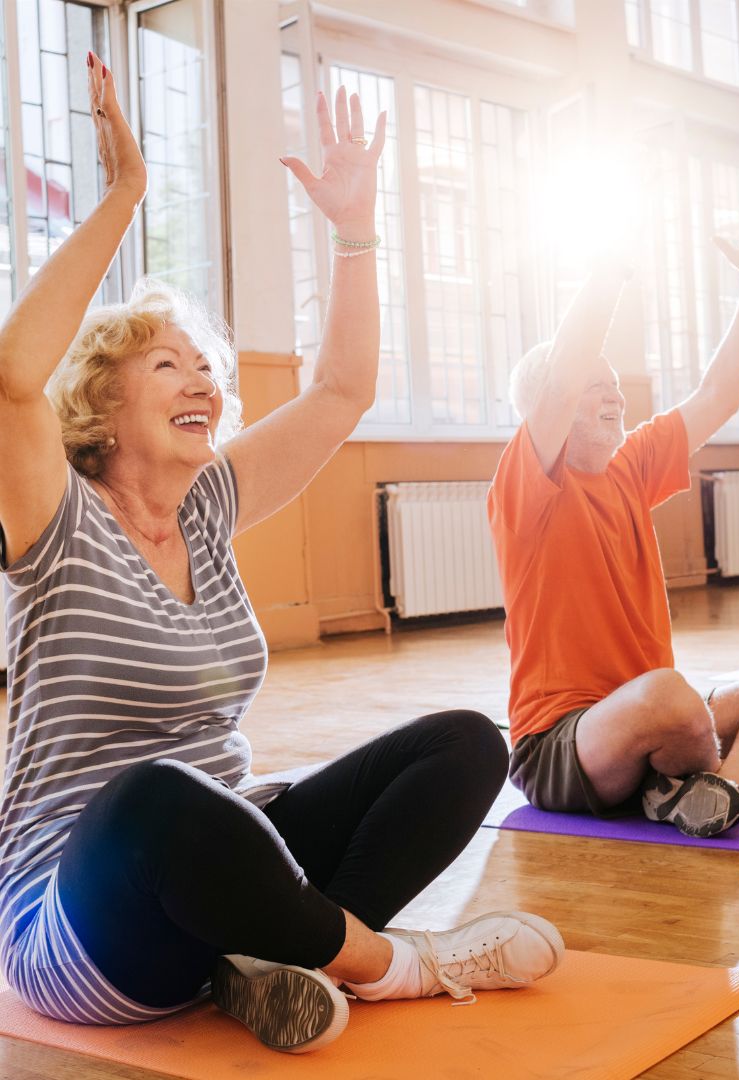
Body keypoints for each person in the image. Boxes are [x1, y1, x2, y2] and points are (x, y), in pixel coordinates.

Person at [0, 54, 562, 1054]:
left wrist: (354, 232)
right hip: (80, 918)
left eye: (207, 369)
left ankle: (273, 963)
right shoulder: (57, 517)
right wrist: (126, 193)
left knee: (466, 743)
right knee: (161, 797)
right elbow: (9, 375)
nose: (203, 384)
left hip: (232, 863)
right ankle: (399, 967)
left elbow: (342, 390)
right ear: (103, 401)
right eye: (168, 364)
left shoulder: (208, 507)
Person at [488, 189, 739, 841]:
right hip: (563, 743)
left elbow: (719, 392)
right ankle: (736, 767)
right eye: (596, 386)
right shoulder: (528, 483)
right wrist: (609, 268)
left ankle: (720, 786)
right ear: (552, 405)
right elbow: (564, 372)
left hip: (662, 713)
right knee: (670, 696)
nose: (615, 395)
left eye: (616, 385)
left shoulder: (630, 465)